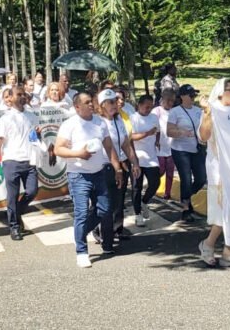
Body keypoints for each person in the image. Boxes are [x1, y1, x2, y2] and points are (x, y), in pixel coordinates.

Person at [55, 92, 123, 268]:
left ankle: (82, 232)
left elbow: (109, 147)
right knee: (81, 213)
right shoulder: (69, 125)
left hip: (99, 173)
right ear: (77, 107)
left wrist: (117, 168)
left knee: (105, 209)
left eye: (91, 102)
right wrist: (79, 154)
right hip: (78, 175)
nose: (91, 105)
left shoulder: (100, 122)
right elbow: (58, 149)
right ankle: (82, 251)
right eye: (86, 103)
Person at [198, 78, 230, 267]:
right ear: (221, 92)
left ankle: (228, 251)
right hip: (219, 168)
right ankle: (209, 244)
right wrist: (208, 111)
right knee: (223, 211)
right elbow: (204, 136)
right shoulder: (212, 110)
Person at [0, 86, 41, 241]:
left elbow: (36, 139)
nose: (22, 96)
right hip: (11, 161)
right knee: (12, 196)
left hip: (29, 161)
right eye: (18, 94)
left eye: (23, 94)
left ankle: (16, 214)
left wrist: (40, 139)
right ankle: (14, 226)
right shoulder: (6, 118)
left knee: (32, 191)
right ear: (10, 99)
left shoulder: (32, 116)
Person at [96, 88, 140, 243]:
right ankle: (101, 231)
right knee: (106, 201)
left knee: (119, 199)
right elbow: (108, 147)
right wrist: (117, 166)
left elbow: (125, 144)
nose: (115, 104)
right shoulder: (98, 121)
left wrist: (134, 162)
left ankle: (117, 229)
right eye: (110, 102)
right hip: (104, 165)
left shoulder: (118, 119)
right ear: (101, 105)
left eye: (115, 101)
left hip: (121, 164)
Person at [166, 84, 206, 222]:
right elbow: (169, 131)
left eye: (194, 95)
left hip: (197, 148)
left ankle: (187, 197)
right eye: (190, 95)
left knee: (201, 178)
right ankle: (185, 208)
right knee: (186, 178)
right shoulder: (175, 112)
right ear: (182, 96)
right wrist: (181, 132)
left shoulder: (198, 111)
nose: (193, 97)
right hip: (181, 149)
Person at [130, 95, 161, 227]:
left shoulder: (154, 117)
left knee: (155, 182)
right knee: (137, 186)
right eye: (146, 106)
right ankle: (138, 215)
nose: (149, 109)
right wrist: (147, 134)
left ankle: (145, 201)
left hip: (151, 156)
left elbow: (157, 130)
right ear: (139, 105)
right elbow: (131, 137)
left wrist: (157, 140)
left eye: (151, 106)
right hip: (137, 156)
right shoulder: (133, 118)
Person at [152, 89, 176, 200]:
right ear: (163, 99)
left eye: (172, 101)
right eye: (168, 100)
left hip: (171, 145)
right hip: (160, 146)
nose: (170, 103)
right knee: (161, 170)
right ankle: (152, 187)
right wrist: (155, 140)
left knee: (170, 171)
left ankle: (167, 193)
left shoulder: (174, 112)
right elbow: (153, 126)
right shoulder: (157, 111)